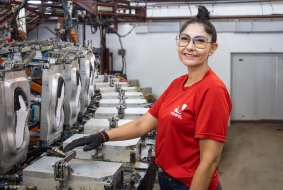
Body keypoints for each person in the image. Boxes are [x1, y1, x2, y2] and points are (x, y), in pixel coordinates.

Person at [64, 5, 232, 190]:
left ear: (212, 48)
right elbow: (143, 124)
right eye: (184, 39)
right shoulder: (178, 83)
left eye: (200, 41)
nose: (190, 47)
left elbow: (209, 162)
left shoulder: (213, 90)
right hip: (167, 179)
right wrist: (103, 136)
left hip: (189, 185)